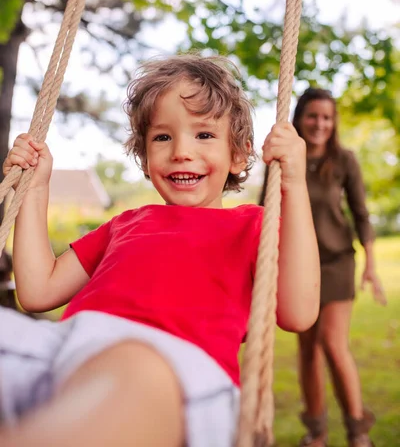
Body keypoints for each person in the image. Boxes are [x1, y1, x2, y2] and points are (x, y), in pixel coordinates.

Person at [0, 55, 320, 447]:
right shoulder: (126, 224)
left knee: (135, 371)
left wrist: (294, 186)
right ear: (145, 156)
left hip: (176, 372)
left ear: (239, 154)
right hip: (66, 354)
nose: (181, 151)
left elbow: (299, 312)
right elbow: (37, 291)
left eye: (204, 135)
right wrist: (34, 189)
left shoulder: (252, 226)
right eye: (162, 137)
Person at [259, 87, 386, 447]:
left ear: (334, 122)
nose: (320, 123)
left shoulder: (344, 160)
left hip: (336, 262)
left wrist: (371, 266)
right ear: (299, 118)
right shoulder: (282, 160)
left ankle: (357, 430)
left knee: (332, 343)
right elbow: (265, 213)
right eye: (313, 115)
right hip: (299, 265)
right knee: (307, 351)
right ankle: (317, 432)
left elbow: (361, 215)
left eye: (327, 117)